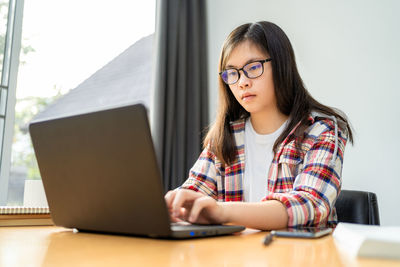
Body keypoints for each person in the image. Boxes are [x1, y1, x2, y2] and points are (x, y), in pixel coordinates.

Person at [165, 21, 353, 230]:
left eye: (253, 67)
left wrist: (222, 211)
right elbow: (195, 192)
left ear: (282, 65)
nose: (242, 82)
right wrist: (179, 203)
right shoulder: (225, 136)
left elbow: (309, 204)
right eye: (232, 73)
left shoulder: (321, 132)